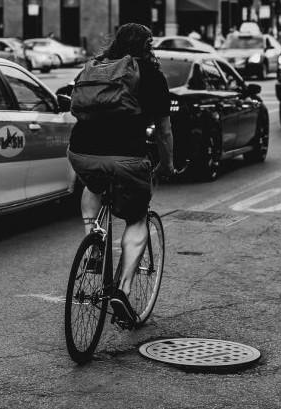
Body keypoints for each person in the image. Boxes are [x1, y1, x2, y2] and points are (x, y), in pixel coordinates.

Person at [67, 23, 174, 324]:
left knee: (93, 183)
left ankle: (93, 239)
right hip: (127, 156)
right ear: (147, 46)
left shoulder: (97, 66)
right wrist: (166, 165)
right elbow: (164, 132)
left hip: (81, 152)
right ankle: (122, 291)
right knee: (137, 217)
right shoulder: (151, 74)